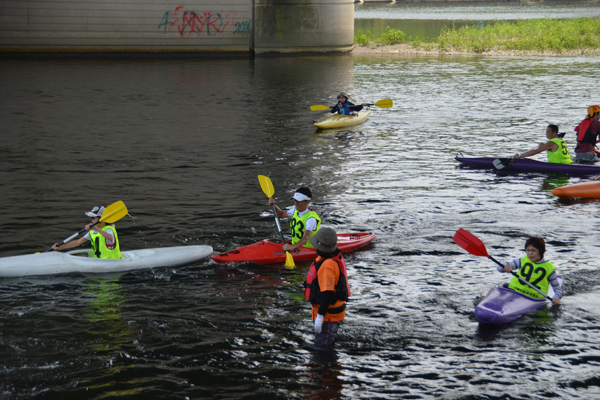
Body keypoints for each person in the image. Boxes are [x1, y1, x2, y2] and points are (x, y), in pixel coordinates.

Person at [303, 227, 350, 349]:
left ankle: (327, 367)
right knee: (327, 345)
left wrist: (320, 317)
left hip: (328, 317)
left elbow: (327, 293)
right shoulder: (328, 260)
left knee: (323, 350)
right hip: (329, 315)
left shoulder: (327, 266)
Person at [499, 237, 561, 306]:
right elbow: (499, 268)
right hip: (514, 292)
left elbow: (558, 289)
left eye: (533, 250)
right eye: (527, 250)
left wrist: (556, 297)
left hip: (533, 299)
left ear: (541, 251)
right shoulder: (522, 260)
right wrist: (505, 267)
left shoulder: (549, 268)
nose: (530, 253)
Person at [52, 206, 122, 259]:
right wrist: (60, 247)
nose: (92, 221)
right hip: (98, 260)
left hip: (112, 261)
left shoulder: (109, 229)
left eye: (93, 218)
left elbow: (110, 238)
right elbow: (77, 242)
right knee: (74, 256)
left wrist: (97, 229)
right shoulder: (93, 231)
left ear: (101, 219)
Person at [268, 187, 321, 252]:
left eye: (299, 201)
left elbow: (305, 238)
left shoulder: (311, 218)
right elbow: (281, 214)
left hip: (308, 249)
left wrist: (292, 247)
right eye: (295, 200)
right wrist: (274, 205)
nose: (296, 203)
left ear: (308, 201)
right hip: (296, 246)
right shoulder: (294, 211)